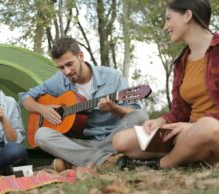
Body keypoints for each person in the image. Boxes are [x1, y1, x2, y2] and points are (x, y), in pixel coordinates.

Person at [112, 0, 219, 170]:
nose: (165, 26)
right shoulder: (181, 63)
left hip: (211, 131)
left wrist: (193, 127)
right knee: (121, 140)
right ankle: (188, 155)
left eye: (169, 18)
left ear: (188, 15)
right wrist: (161, 120)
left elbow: (204, 126)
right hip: (186, 133)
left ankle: (160, 164)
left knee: (206, 127)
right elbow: (180, 111)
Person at [19, 37, 148, 171]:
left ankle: (81, 160)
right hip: (82, 142)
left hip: (114, 138)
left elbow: (134, 113)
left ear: (80, 56)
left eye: (69, 64)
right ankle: (106, 160)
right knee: (41, 135)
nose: (67, 72)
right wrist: (42, 109)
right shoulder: (59, 79)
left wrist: (114, 109)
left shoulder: (112, 76)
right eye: (61, 67)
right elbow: (25, 98)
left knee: (141, 117)